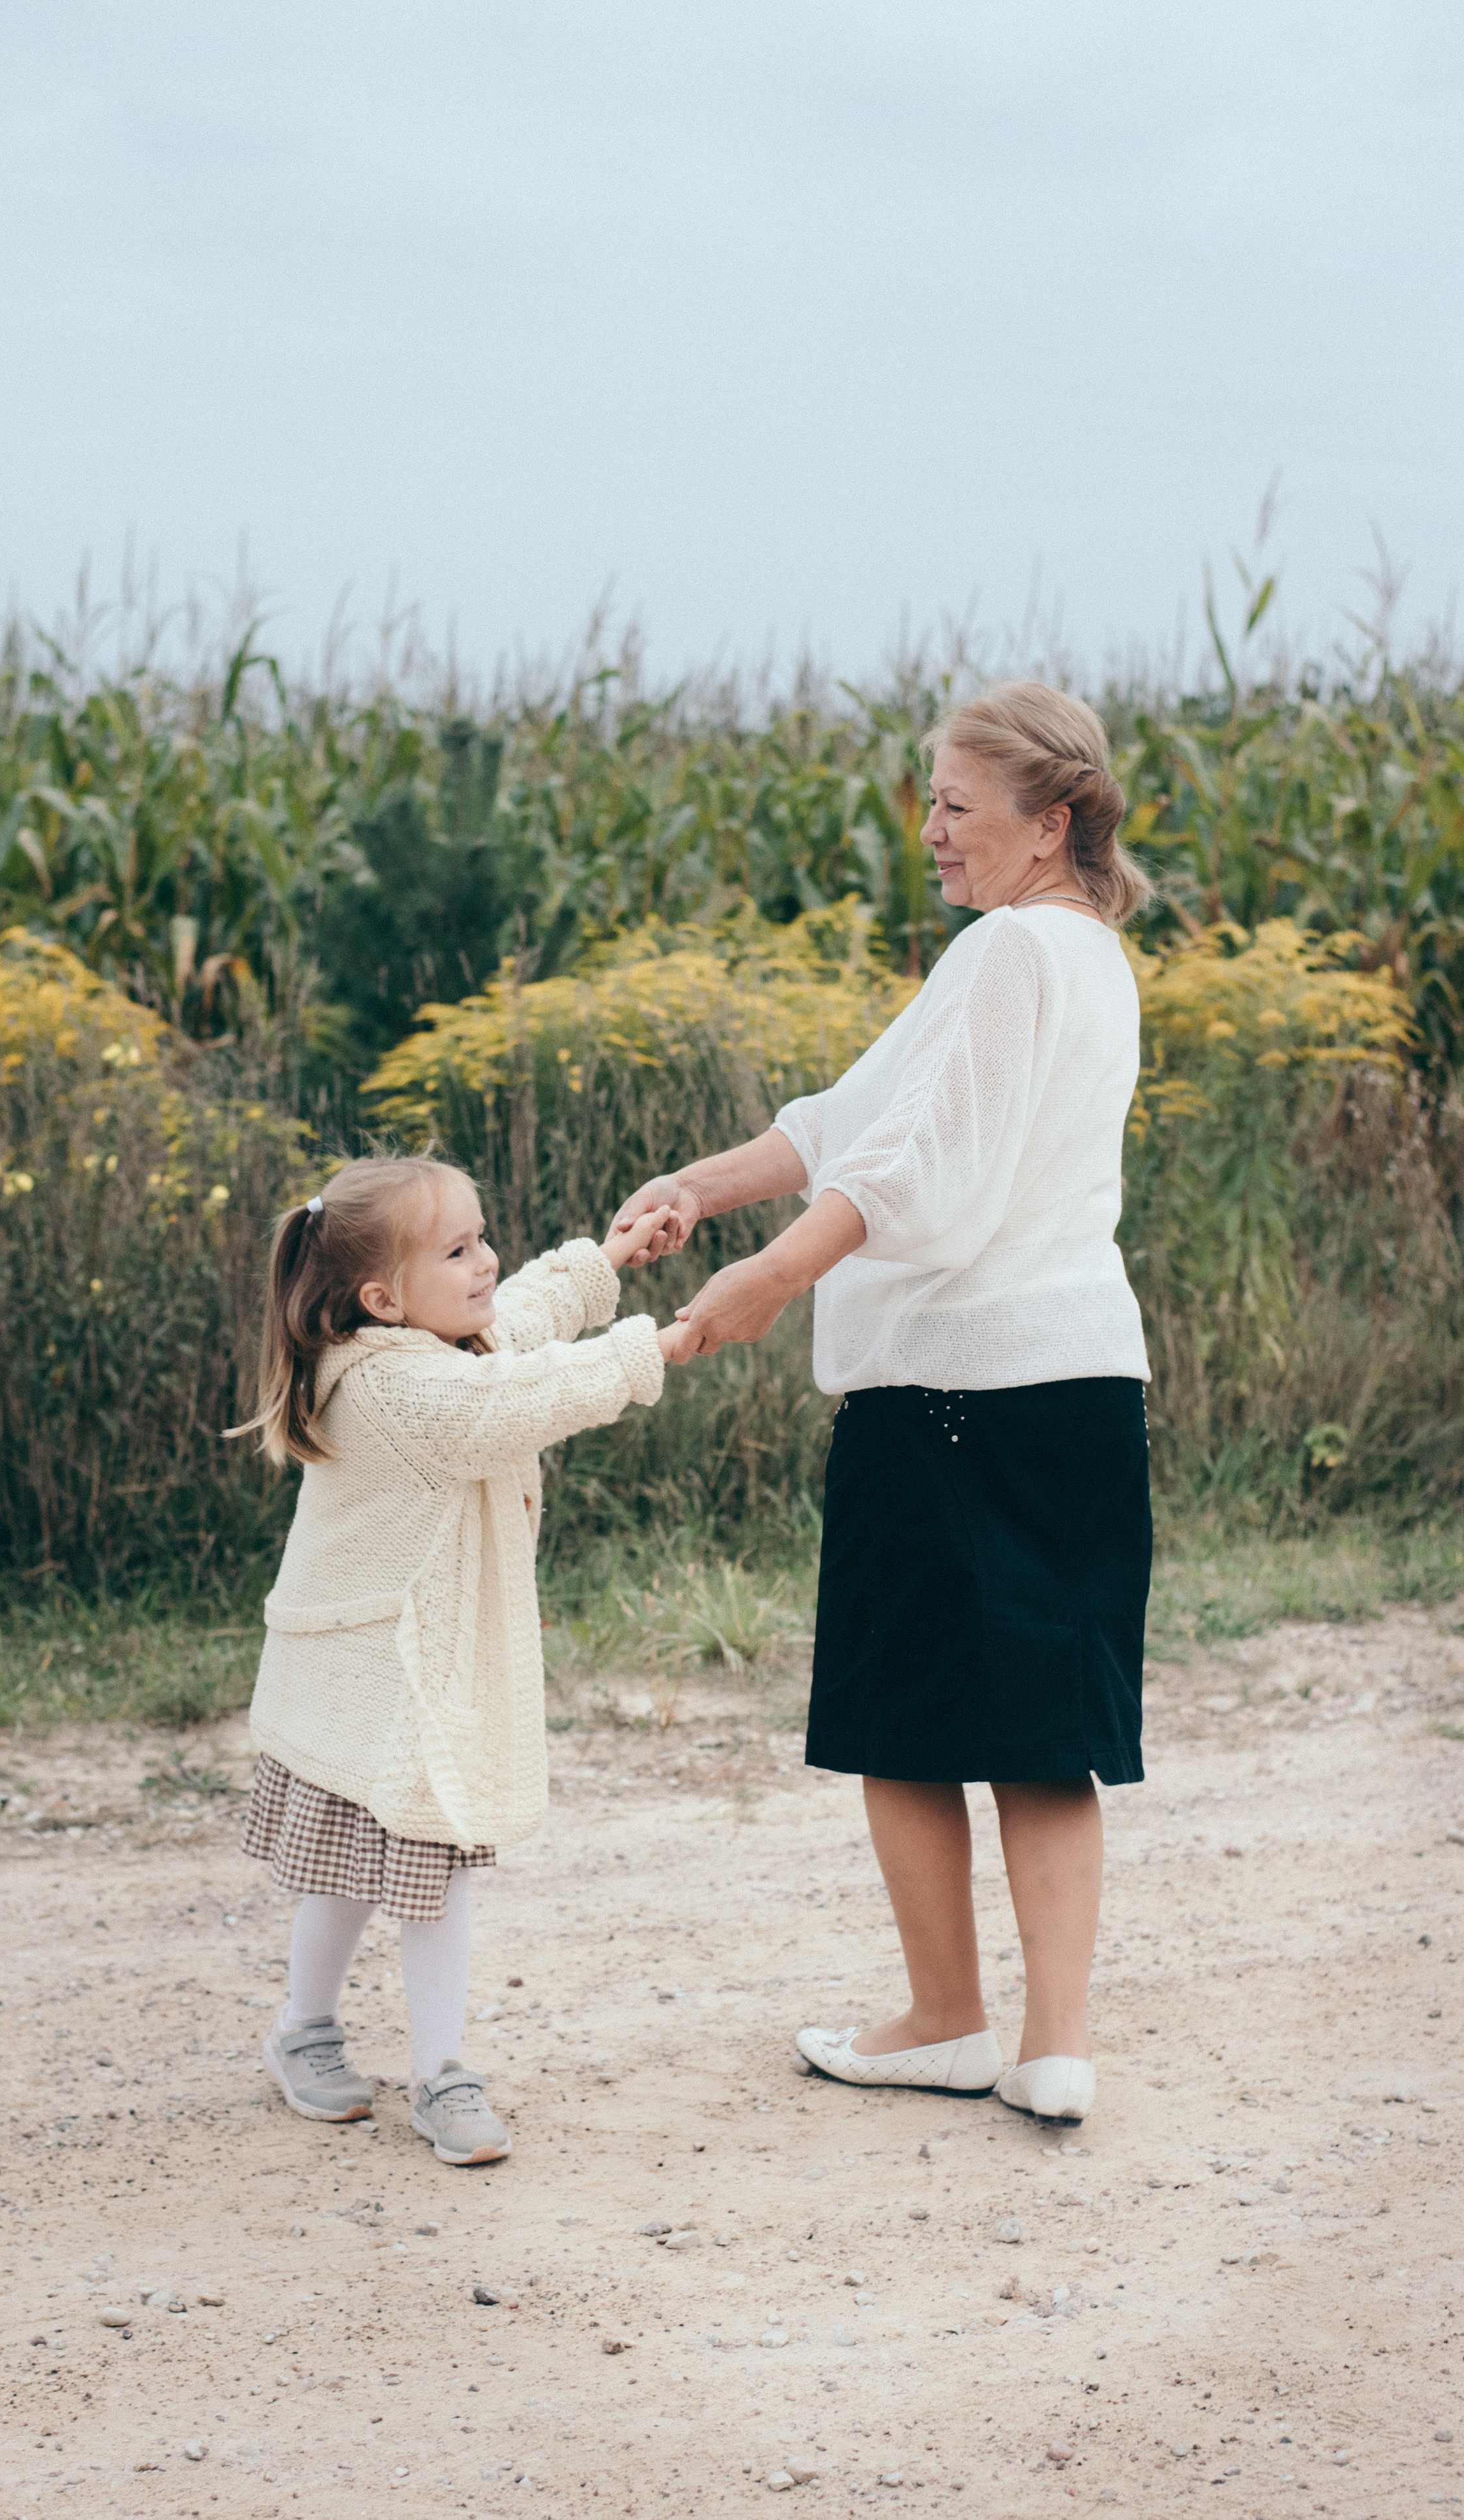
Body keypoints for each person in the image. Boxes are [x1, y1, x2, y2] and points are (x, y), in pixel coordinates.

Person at [610, 682, 1153, 2128]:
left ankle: (939, 2016)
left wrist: (767, 1282)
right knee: (1047, 1727)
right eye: (928, 801)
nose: (929, 831)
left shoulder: (1000, 954)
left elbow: (910, 1165)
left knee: (906, 1715)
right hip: (1082, 1386)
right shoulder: (1088, 957)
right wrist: (694, 1189)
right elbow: (853, 1116)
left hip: (949, 1388)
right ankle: (1051, 2046)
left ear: (1049, 823)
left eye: (953, 806)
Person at [230, 1156, 685, 2163]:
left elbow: (516, 1324)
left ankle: (312, 2032)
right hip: (385, 1671)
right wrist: (663, 1346)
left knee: (361, 1866)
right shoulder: (399, 1389)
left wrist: (604, 1261)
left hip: (389, 1669)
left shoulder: (427, 1343)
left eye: (483, 1236)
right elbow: (511, 1401)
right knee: (413, 1863)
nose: (485, 1261)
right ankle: (435, 2075)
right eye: (458, 1249)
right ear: (383, 1298)